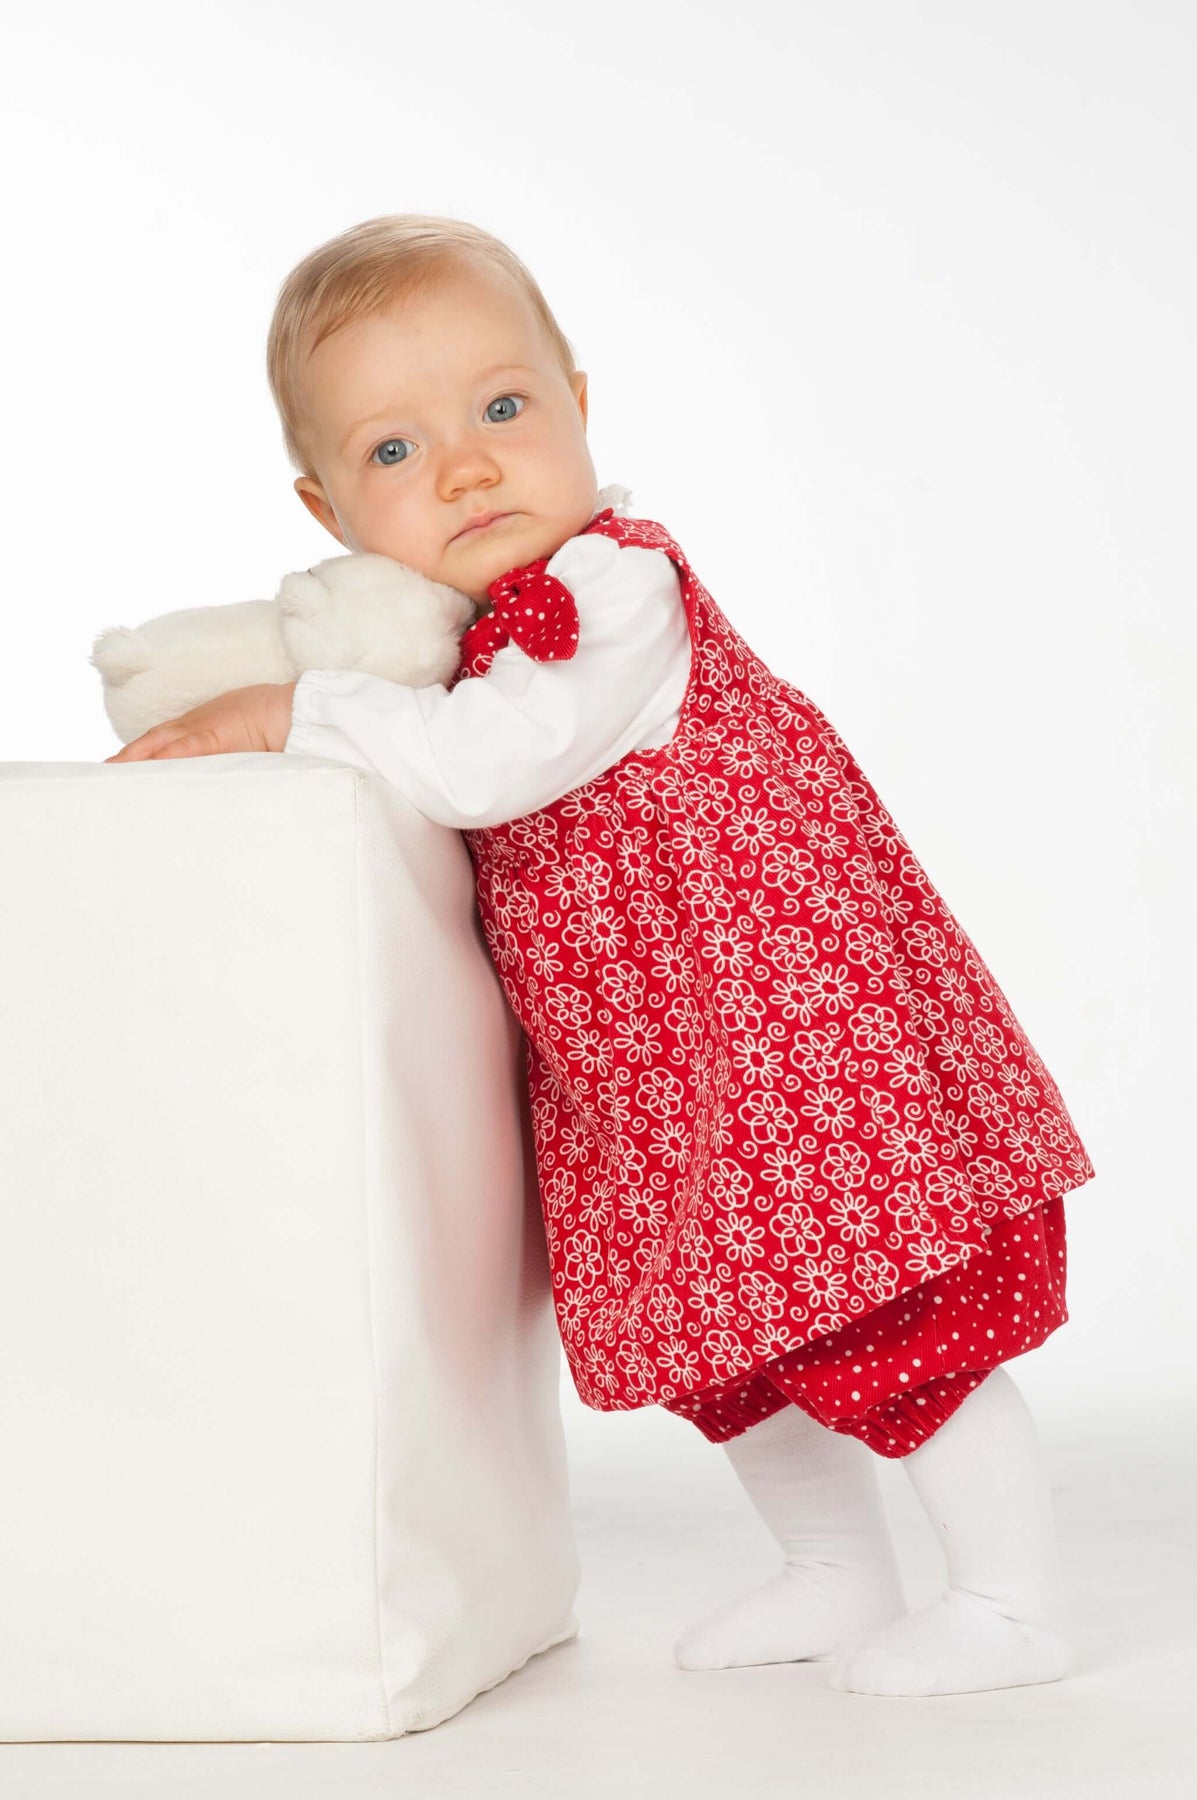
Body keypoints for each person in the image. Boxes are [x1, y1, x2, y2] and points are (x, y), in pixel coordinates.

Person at [106, 215, 1096, 1698]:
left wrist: (292, 710)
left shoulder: (611, 592)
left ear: (578, 405)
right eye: (395, 449)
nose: (465, 468)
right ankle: (833, 1569)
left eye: (503, 408)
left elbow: (489, 763)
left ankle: (1012, 1602)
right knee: (724, 1333)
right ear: (326, 508)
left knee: (891, 1314)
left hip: (788, 1036)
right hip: (658, 1069)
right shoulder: (457, 642)